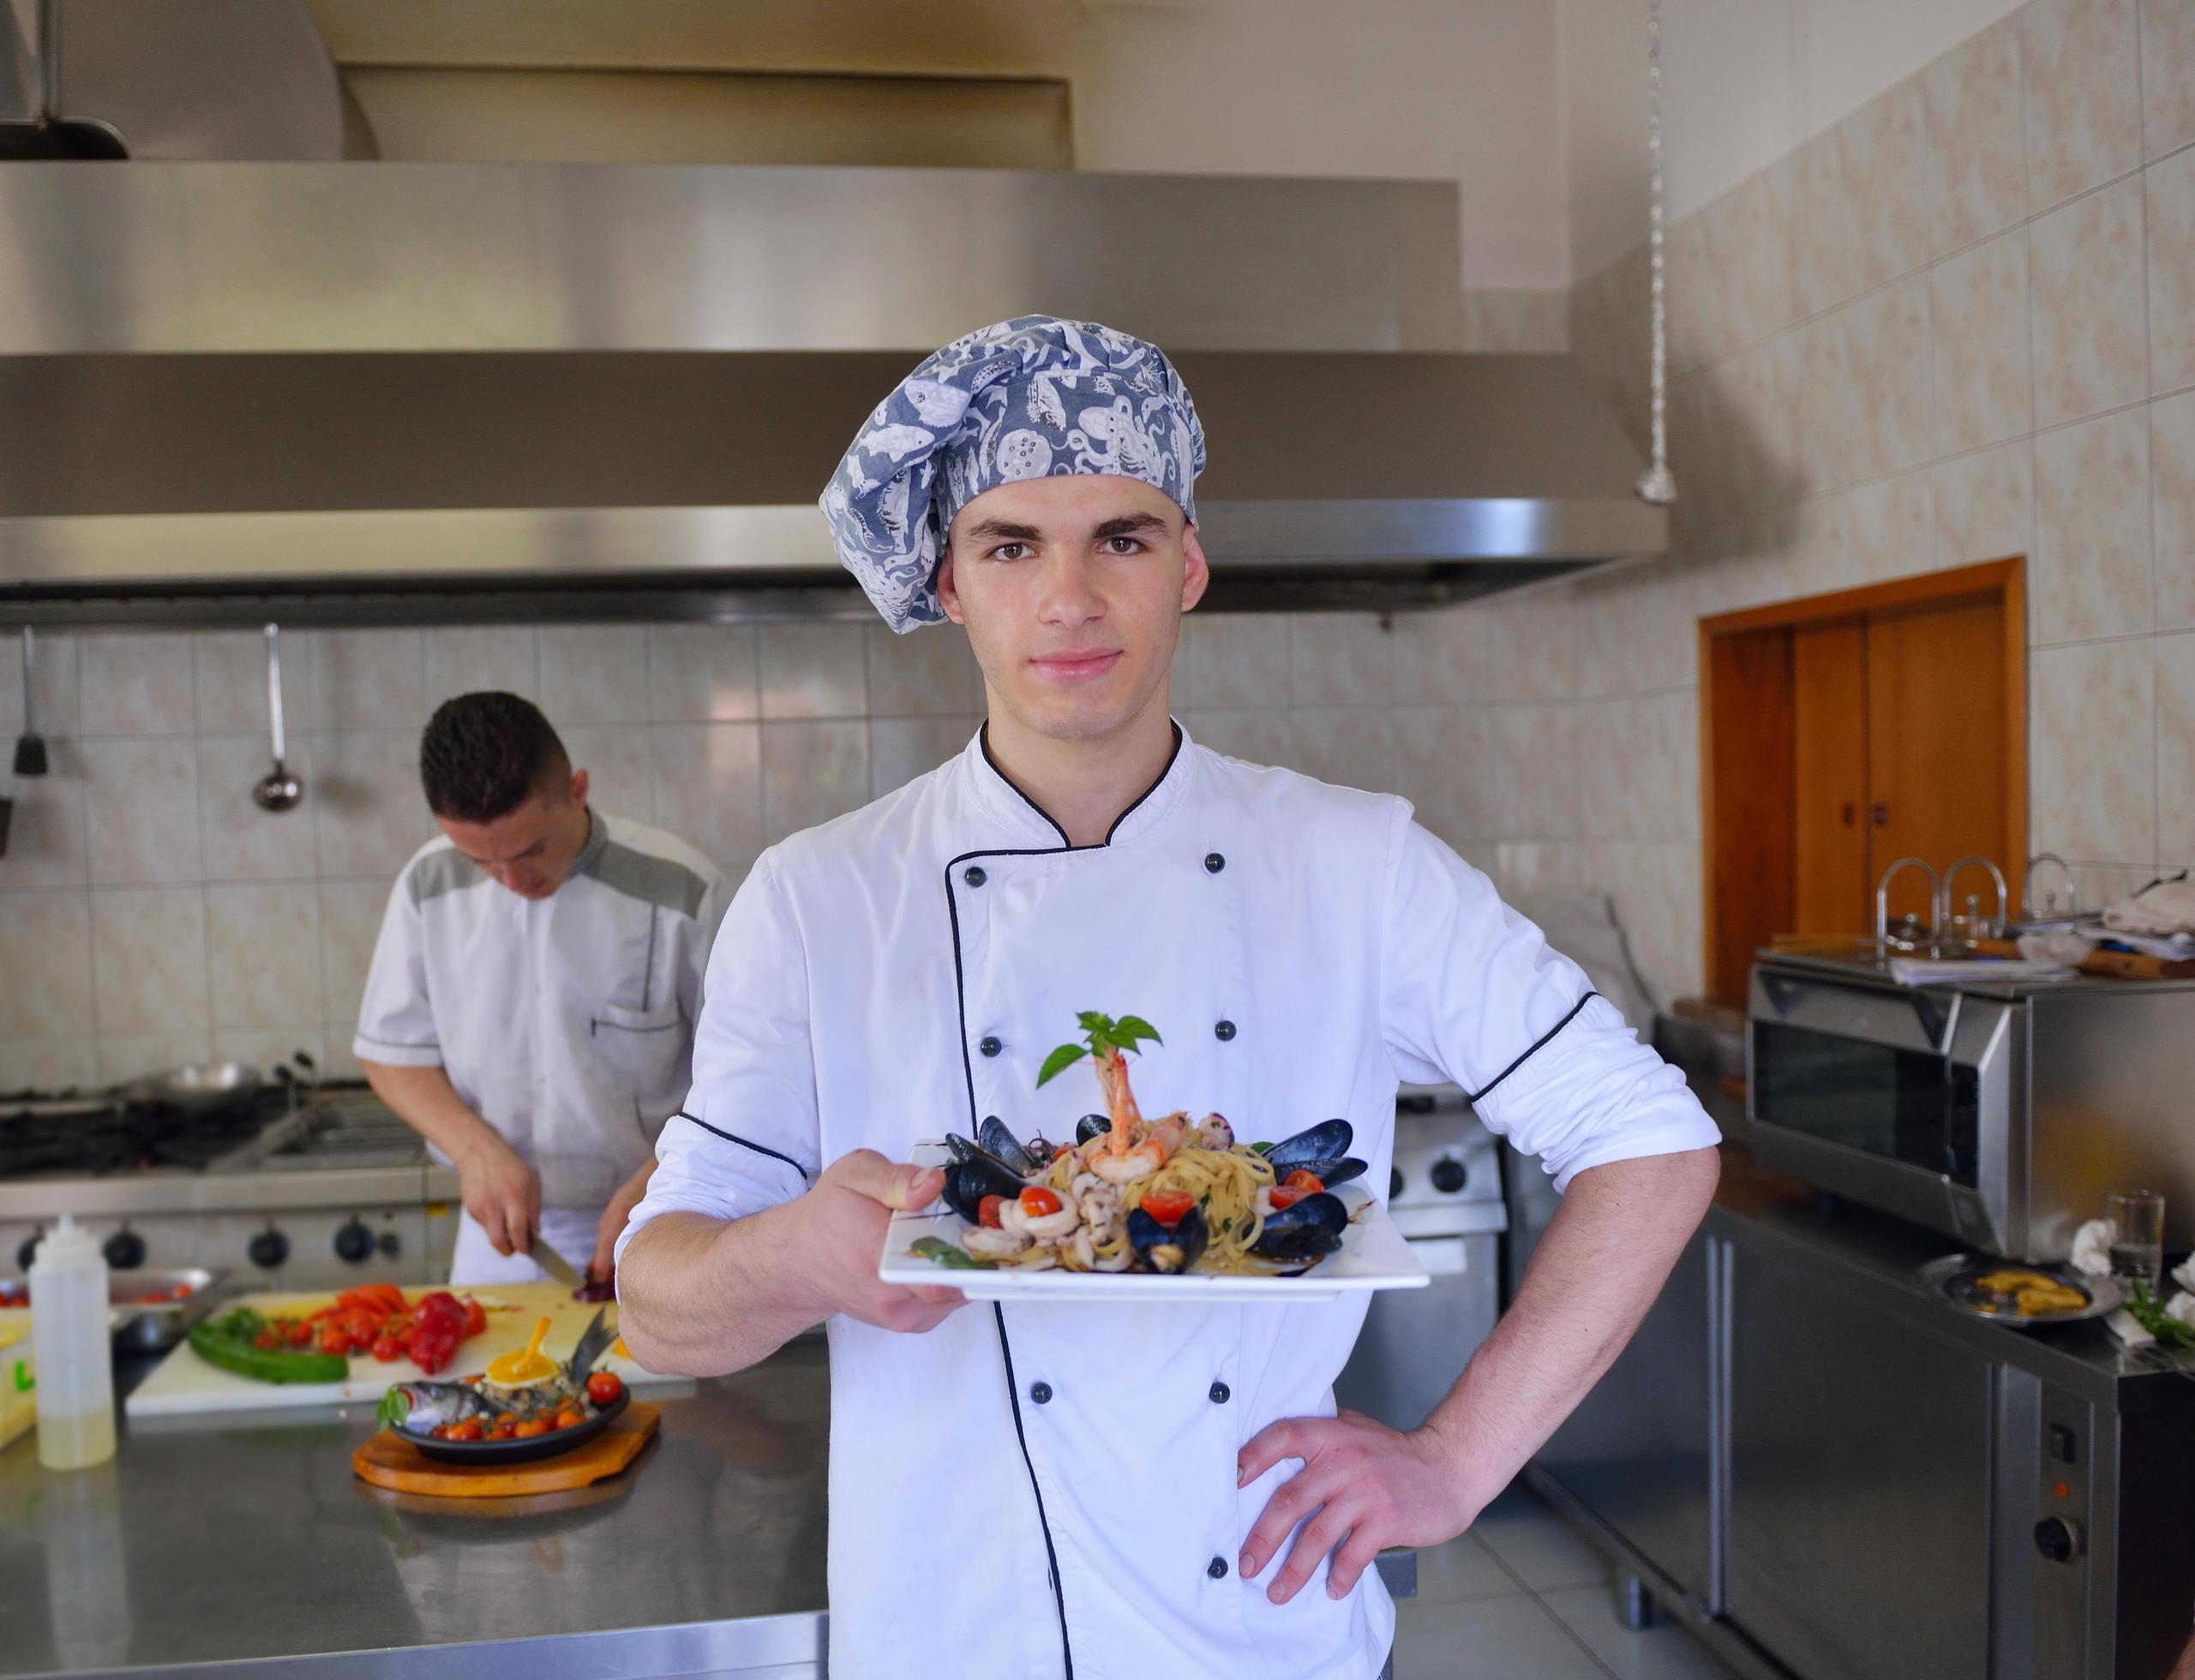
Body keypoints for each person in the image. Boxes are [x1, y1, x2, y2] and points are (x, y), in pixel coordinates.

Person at [614, 316, 1721, 1678]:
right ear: (949, 584)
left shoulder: (1351, 858)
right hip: (951, 1634)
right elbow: (657, 1305)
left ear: (1188, 567)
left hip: (1260, 1626)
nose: (1068, 598)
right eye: (1011, 546)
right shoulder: (816, 897)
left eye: (1121, 539)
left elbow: (1651, 1143)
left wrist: (1455, 1462)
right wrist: (792, 1257)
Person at [356, 691, 723, 1287]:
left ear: (577, 790)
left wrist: (664, 1173)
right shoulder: (427, 882)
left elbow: (741, 1071)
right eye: (481, 862)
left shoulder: (681, 889)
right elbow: (392, 1055)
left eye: (530, 851)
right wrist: (473, 1150)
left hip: (660, 1213)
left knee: (659, 1382)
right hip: (500, 1229)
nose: (512, 881)